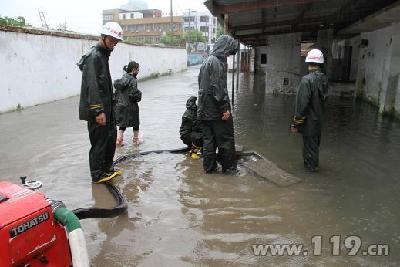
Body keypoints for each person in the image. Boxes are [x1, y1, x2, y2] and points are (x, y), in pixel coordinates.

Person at [78, 22, 123, 183]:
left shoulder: (103, 55)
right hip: (98, 110)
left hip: (107, 109)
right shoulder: (94, 56)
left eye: (115, 42)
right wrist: (98, 111)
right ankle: (97, 175)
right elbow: (92, 86)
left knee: (110, 139)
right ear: (102, 37)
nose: (113, 45)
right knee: (99, 142)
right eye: (111, 41)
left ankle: (107, 168)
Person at [197, 35, 239, 173]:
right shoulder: (216, 62)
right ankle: (230, 170)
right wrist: (225, 109)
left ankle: (209, 170)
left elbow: (202, 86)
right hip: (216, 112)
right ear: (224, 48)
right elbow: (218, 88)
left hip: (204, 111)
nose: (228, 56)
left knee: (209, 142)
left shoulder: (205, 62)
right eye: (228, 52)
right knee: (226, 141)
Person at [291, 48, 329, 172]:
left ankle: (311, 177)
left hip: (309, 123)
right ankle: (312, 171)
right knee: (314, 147)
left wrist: (295, 123)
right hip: (318, 122)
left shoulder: (306, 80)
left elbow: (302, 105)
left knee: (309, 151)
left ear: (308, 63)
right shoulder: (324, 79)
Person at [114, 61, 142, 146]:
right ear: (133, 70)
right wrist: (139, 95)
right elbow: (133, 94)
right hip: (131, 106)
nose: (138, 71)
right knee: (136, 123)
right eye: (137, 69)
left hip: (121, 106)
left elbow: (117, 94)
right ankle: (136, 140)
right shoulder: (133, 80)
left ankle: (119, 140)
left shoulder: (122, 78)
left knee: (122, 124)